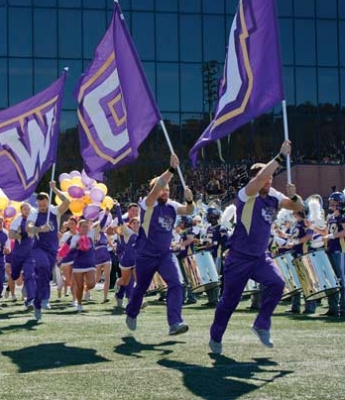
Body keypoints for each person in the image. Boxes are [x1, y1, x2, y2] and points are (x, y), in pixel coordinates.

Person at [209, 140, 304, 354]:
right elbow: (260, 178)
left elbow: (299, 207)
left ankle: (261, 324)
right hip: (239, 258)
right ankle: (215, 336)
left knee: (278, 284)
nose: (269, 180)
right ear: (256, 179)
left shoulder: (274, 196)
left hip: (261, 257)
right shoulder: (246, 193)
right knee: (229, 302)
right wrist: (280, 156)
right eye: (266, 177)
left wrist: (294, 195)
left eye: (271, 177)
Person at [125, 154, 194, 335]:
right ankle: (131, 312)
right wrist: (171, 169)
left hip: (165, 254)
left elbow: (189, 210)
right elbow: (157, 188)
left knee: (177, 284)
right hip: (145, 255)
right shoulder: (147, 203)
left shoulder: (171, 205)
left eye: (168, 189)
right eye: (164, 188)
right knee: (141, 288)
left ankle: (175, 322)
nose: (166, 191)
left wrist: (189, 200)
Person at [27, 182, 70, 321]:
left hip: (52, 249)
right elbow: (29, 228)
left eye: (44, 205)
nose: (42, 208)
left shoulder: (53, 210)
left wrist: (54, 189)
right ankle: (40, 299)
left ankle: (39, 301)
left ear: (48, 202)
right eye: (40, 205)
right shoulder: (34, 212)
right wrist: (39, 229)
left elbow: (67, 202)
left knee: (45, 275)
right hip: (38, 248)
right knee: (43, 267)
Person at [10, 203, 36, 309]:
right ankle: (23, 287)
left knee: (29, 275)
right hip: (17, 254)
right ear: (21, 210)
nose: (27, 210)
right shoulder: (17, 221)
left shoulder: (34, 220)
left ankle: (30, 299)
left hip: (30, 253)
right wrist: (20, 235)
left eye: (28, 208)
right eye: (24, 209)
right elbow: (10, 234)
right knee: (15, 276)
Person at [323, 192, 345, 317]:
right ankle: (333, 308)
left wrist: (331, 236)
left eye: (334, 201)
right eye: (331, 200)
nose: (332, 203)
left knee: (341, 280)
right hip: (330, 250)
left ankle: (343, 309)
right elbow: (326, 233)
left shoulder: (342, 216)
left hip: (340, 250)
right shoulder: (330, 217)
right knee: (331, 280)